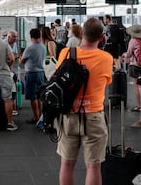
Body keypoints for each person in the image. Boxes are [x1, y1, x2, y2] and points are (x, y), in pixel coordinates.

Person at [56, 18, 113, 185]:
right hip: (93, 116)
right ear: (101, 37)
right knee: (93, 167)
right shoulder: (106, 58)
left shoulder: (66, 53)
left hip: (68, 115)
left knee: (66, 163)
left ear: (82, 34)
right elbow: (107, 81)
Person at [19, 28, 45, 124]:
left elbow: (22, 62)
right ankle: (41, 116)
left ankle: (36, 117)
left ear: (31, 36)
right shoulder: (43, 46)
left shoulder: (30, 48)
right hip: (41, 73)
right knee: (39, 96)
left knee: (33, 97)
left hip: (31, 74)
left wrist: (20, 58)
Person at [122, 24, 141, 112]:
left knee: (136, 86)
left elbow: (129, 54)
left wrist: (124, 54)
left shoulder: (133, 41)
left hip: (134, 65)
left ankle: (139, 106)